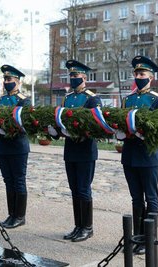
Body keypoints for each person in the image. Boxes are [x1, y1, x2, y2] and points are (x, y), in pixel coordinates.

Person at [120, 56, 158, 255]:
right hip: (130, 156)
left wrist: (141, 133)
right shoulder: (128, 100)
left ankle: (149, 239)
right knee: (135, 199)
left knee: (151, 197)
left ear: (151, 77)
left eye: (142, 74)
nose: (138, 77)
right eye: (136, 74)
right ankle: (136, 237)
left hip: (148, 157)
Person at [61, 59, 102, 242]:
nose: (73, 78)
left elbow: (96, 125)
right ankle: (78, 226)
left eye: (76, 75)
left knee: (84, 189)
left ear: (84, 77)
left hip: (85, 150)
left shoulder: (92, 98)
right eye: (71, 75)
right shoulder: (68, 98)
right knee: (74, 189)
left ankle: (87, 227)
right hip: (70, 149)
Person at [0, 65, 31, 229]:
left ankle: (20, 216)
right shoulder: (1, 100)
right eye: (5, 79)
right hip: (3, 145)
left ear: (18, 81)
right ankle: (11, 214)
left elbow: (25, 122)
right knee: (8, 181)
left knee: (18, 180)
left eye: (9, 79)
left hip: (18, 146)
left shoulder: (24, 99)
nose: (6, 82)